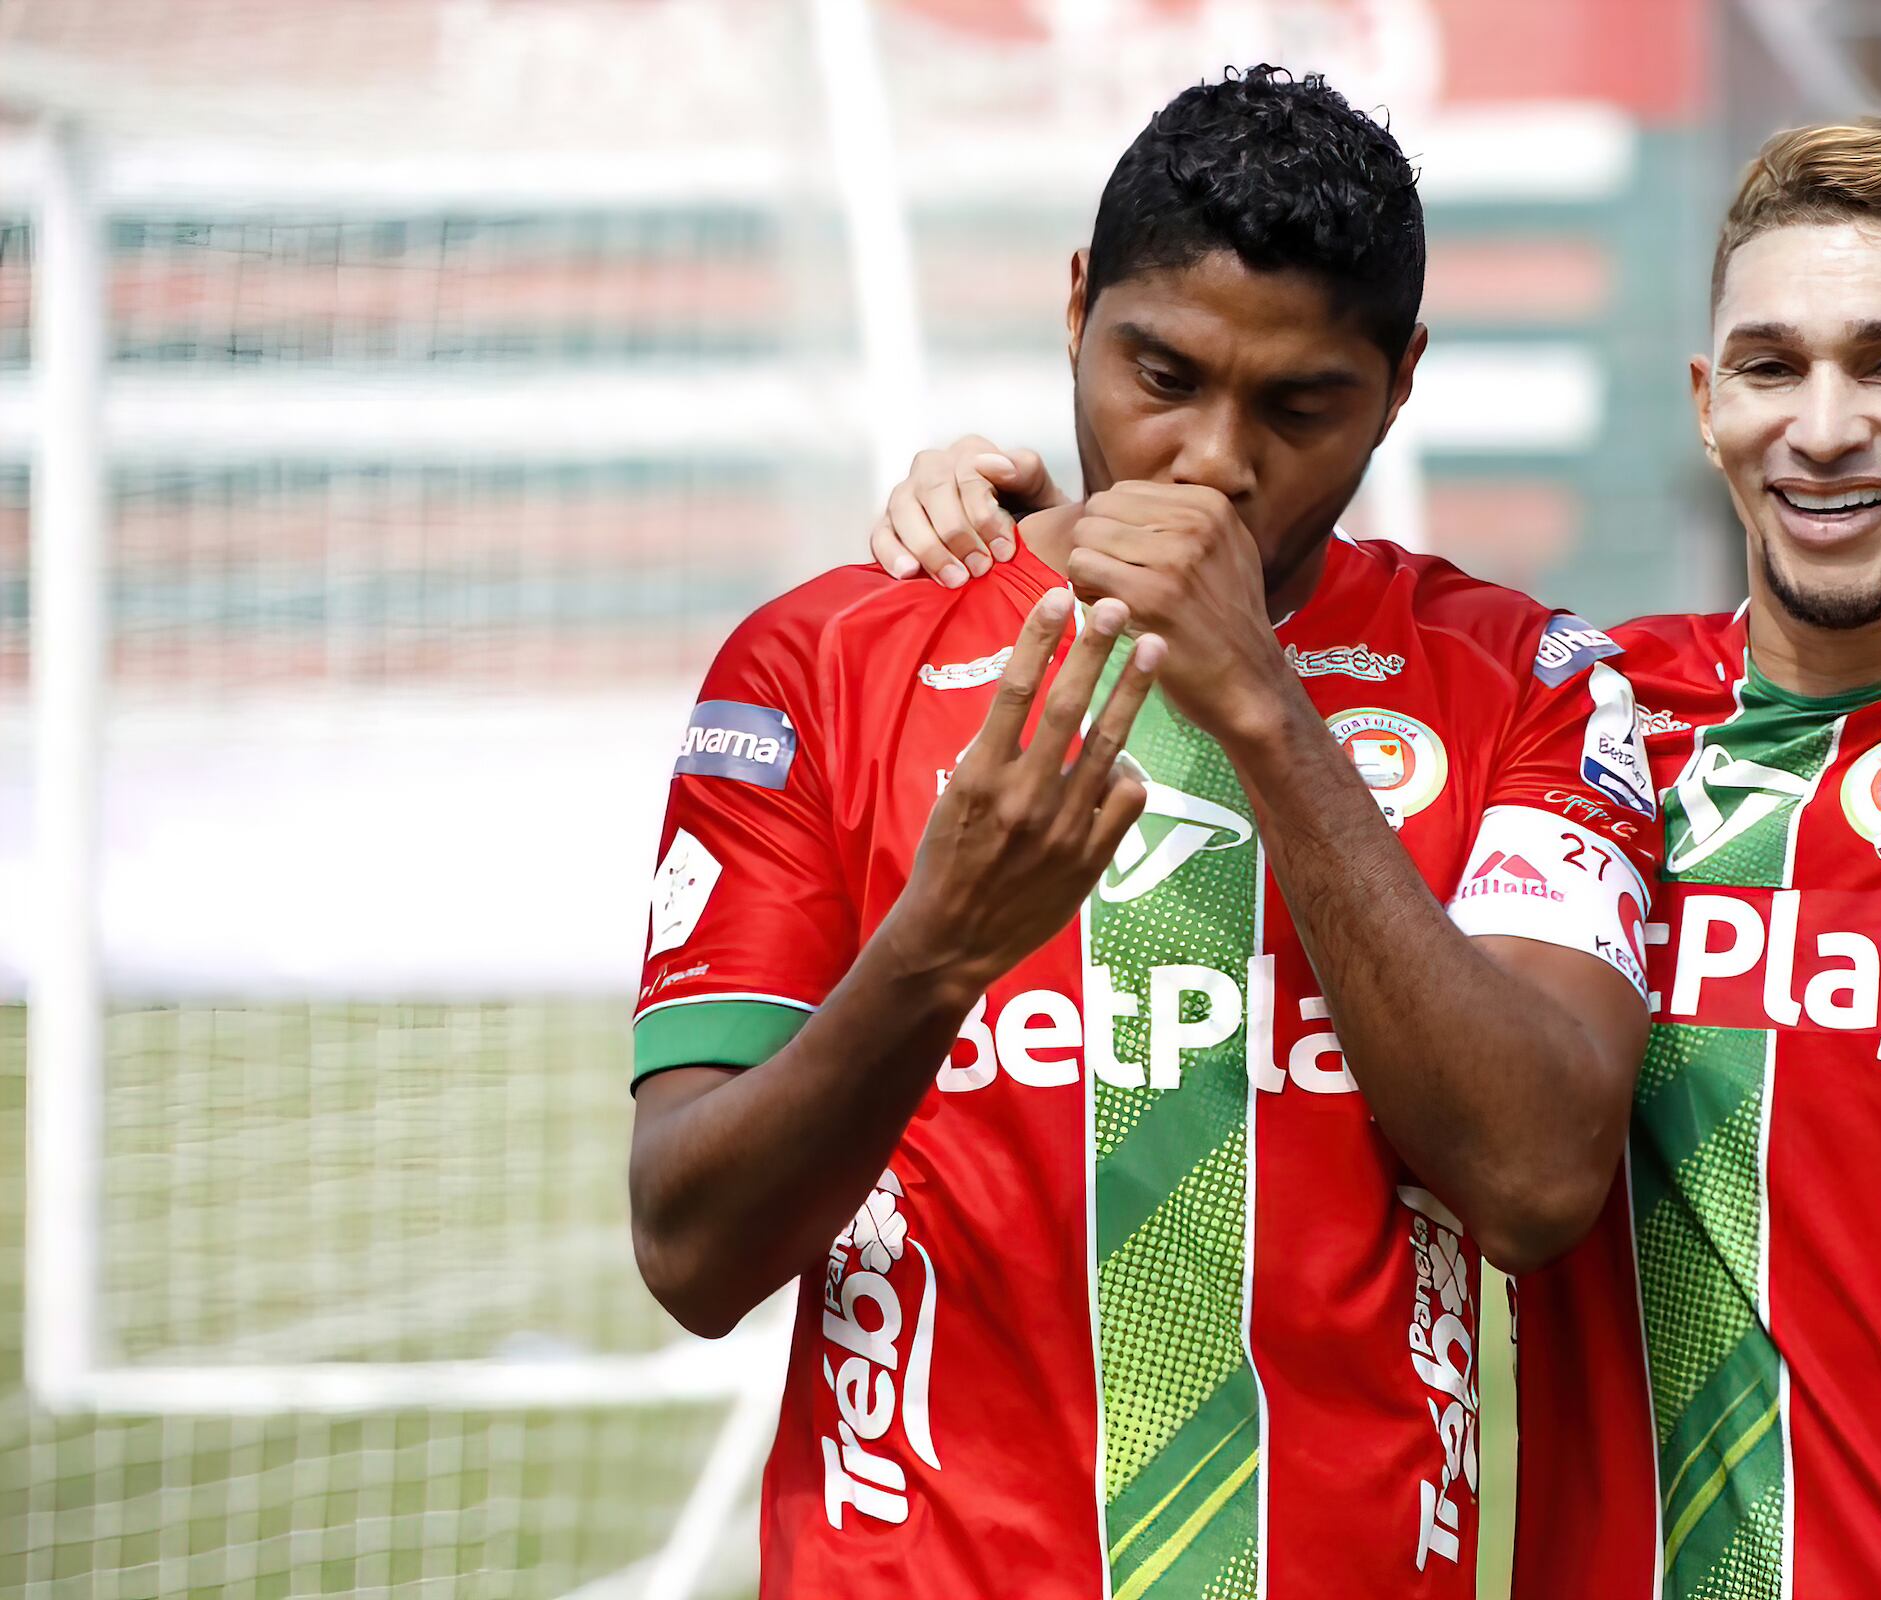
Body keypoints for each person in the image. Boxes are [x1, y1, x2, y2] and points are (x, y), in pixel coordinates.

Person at [865, 111, 1881, 1599]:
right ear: (1706, 404)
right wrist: (1036, 547)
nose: (1822, 426)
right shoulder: (1584, 710)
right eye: (1772, 367)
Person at [627, 66, 1661, 1599]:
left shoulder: (1528, 683)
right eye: (1160, 376)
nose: (1214, 463)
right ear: (1073, 315)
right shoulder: (825, 664)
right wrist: (936, 952)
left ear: (1404, 381)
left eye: (1302, 405)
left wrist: (1265, 710)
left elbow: (1531, 1181)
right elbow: (693, 1254)